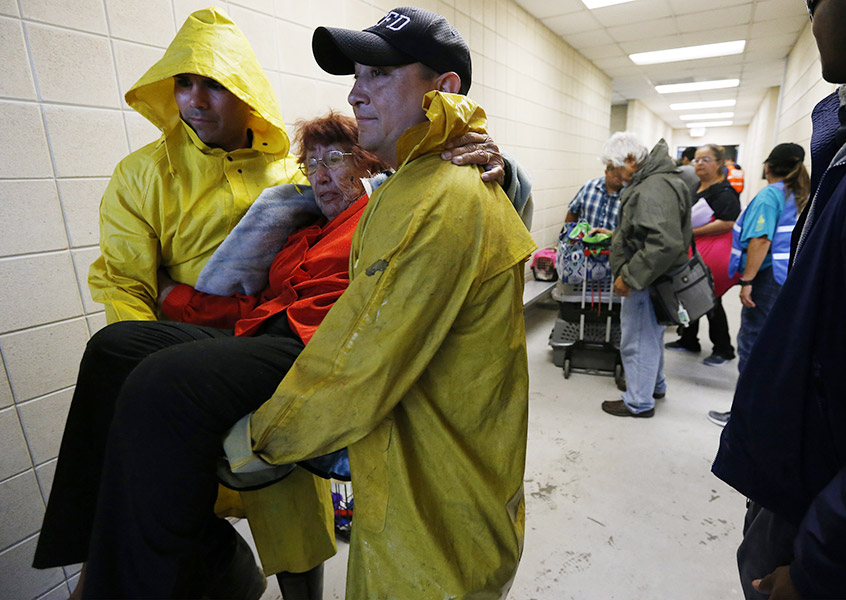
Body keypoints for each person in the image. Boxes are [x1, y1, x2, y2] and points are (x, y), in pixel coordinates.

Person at [37, 6, 535, 598]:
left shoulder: (422, 193)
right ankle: (125, 557)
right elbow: (268, 299)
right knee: (117, 351)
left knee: (164, 394)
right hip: (272, 338)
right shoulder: (287, 207)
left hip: (320, 360)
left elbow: (380, 334)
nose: (356, 93)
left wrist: (257, 441)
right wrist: (183, 303)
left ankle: (171, 578)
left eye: (378, 73)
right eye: (184, 84)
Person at [712, 0, 846, 597]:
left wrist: (823, 563)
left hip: (834, 525)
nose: (812, 24)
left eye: (812, 5)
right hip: (808, 477)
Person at [706, 143, 809, 427]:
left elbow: (760, 240)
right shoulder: (797, 194)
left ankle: (744, 416)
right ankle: (760, 410)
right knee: (771, 345)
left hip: (765, 280)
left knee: (753, 345)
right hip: (782, 278)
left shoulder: (768, 196)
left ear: (767, 168)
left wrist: (747, 280)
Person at [602, 132, 692, 418]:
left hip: (647, 278)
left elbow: (663, 243)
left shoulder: (652, 187)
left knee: (637, 339)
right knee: (651, 336)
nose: (616, 176)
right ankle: (654, 386)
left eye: (615, 169)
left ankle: (638, 402)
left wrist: (628, 276)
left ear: (630, 161)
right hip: (657, 277)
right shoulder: (659, 180)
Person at [665, 144, 741, 366]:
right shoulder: (695, 187)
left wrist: (691, 231)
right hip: (694, 251)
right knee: (689, 296)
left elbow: (727, 222)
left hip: (713, 254)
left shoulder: (725, 192)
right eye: (697, 159)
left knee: (710, 301)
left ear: (719, 163)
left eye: (705, 159)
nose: (699, 164)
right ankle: (688, 339)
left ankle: (724, 349)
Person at [564, 164, 624, 233]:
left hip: (612, 243)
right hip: (584, 242)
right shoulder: (589, 187)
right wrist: (567, 235)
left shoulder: (629, 195)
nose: (620, 177)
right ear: (606, 172)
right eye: (615, 174)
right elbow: (572, 212)